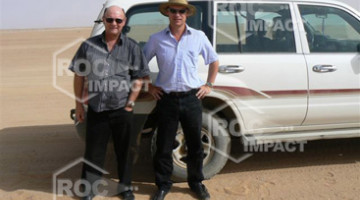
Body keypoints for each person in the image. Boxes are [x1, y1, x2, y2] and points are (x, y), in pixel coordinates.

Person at [69, 5, 149, 200]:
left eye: (118, 20)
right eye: (110, 19)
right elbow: (79, 75)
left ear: (124, 22)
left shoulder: (132, 47)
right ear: (104, 21)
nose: (114, 23)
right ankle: (89, 190)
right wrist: (79, 105)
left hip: (123, 109)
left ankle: (125, 188)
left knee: (126, 151)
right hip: (97, 109)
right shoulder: (88, 45)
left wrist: (131, 101)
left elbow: (139, 77)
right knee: (94, 151)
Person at [143, 0, 219, 199]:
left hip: (192, 98)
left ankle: (196, 183)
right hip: (167, 100)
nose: (177, 14)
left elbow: (214, 60)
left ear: (187, 14)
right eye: (173, 10)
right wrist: (149, 86)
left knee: (194, 144)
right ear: (167, 12)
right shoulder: (156, 39)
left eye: (181, 11)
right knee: (163, 145)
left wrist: (208, 85)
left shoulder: (198, 37)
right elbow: (140, 64)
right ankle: (163, 184)